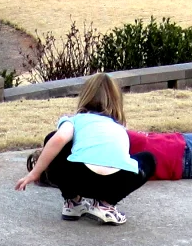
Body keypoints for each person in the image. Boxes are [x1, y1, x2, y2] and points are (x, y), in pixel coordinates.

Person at [13, 72, 151, 224]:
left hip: (80, 178)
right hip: (115, 182)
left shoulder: (75, 120)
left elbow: (58, 139)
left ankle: (73, 201)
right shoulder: (120, 127)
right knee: (148, 159)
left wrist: (35, 173)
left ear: (85, 96)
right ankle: (105, 205)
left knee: (52, 138)